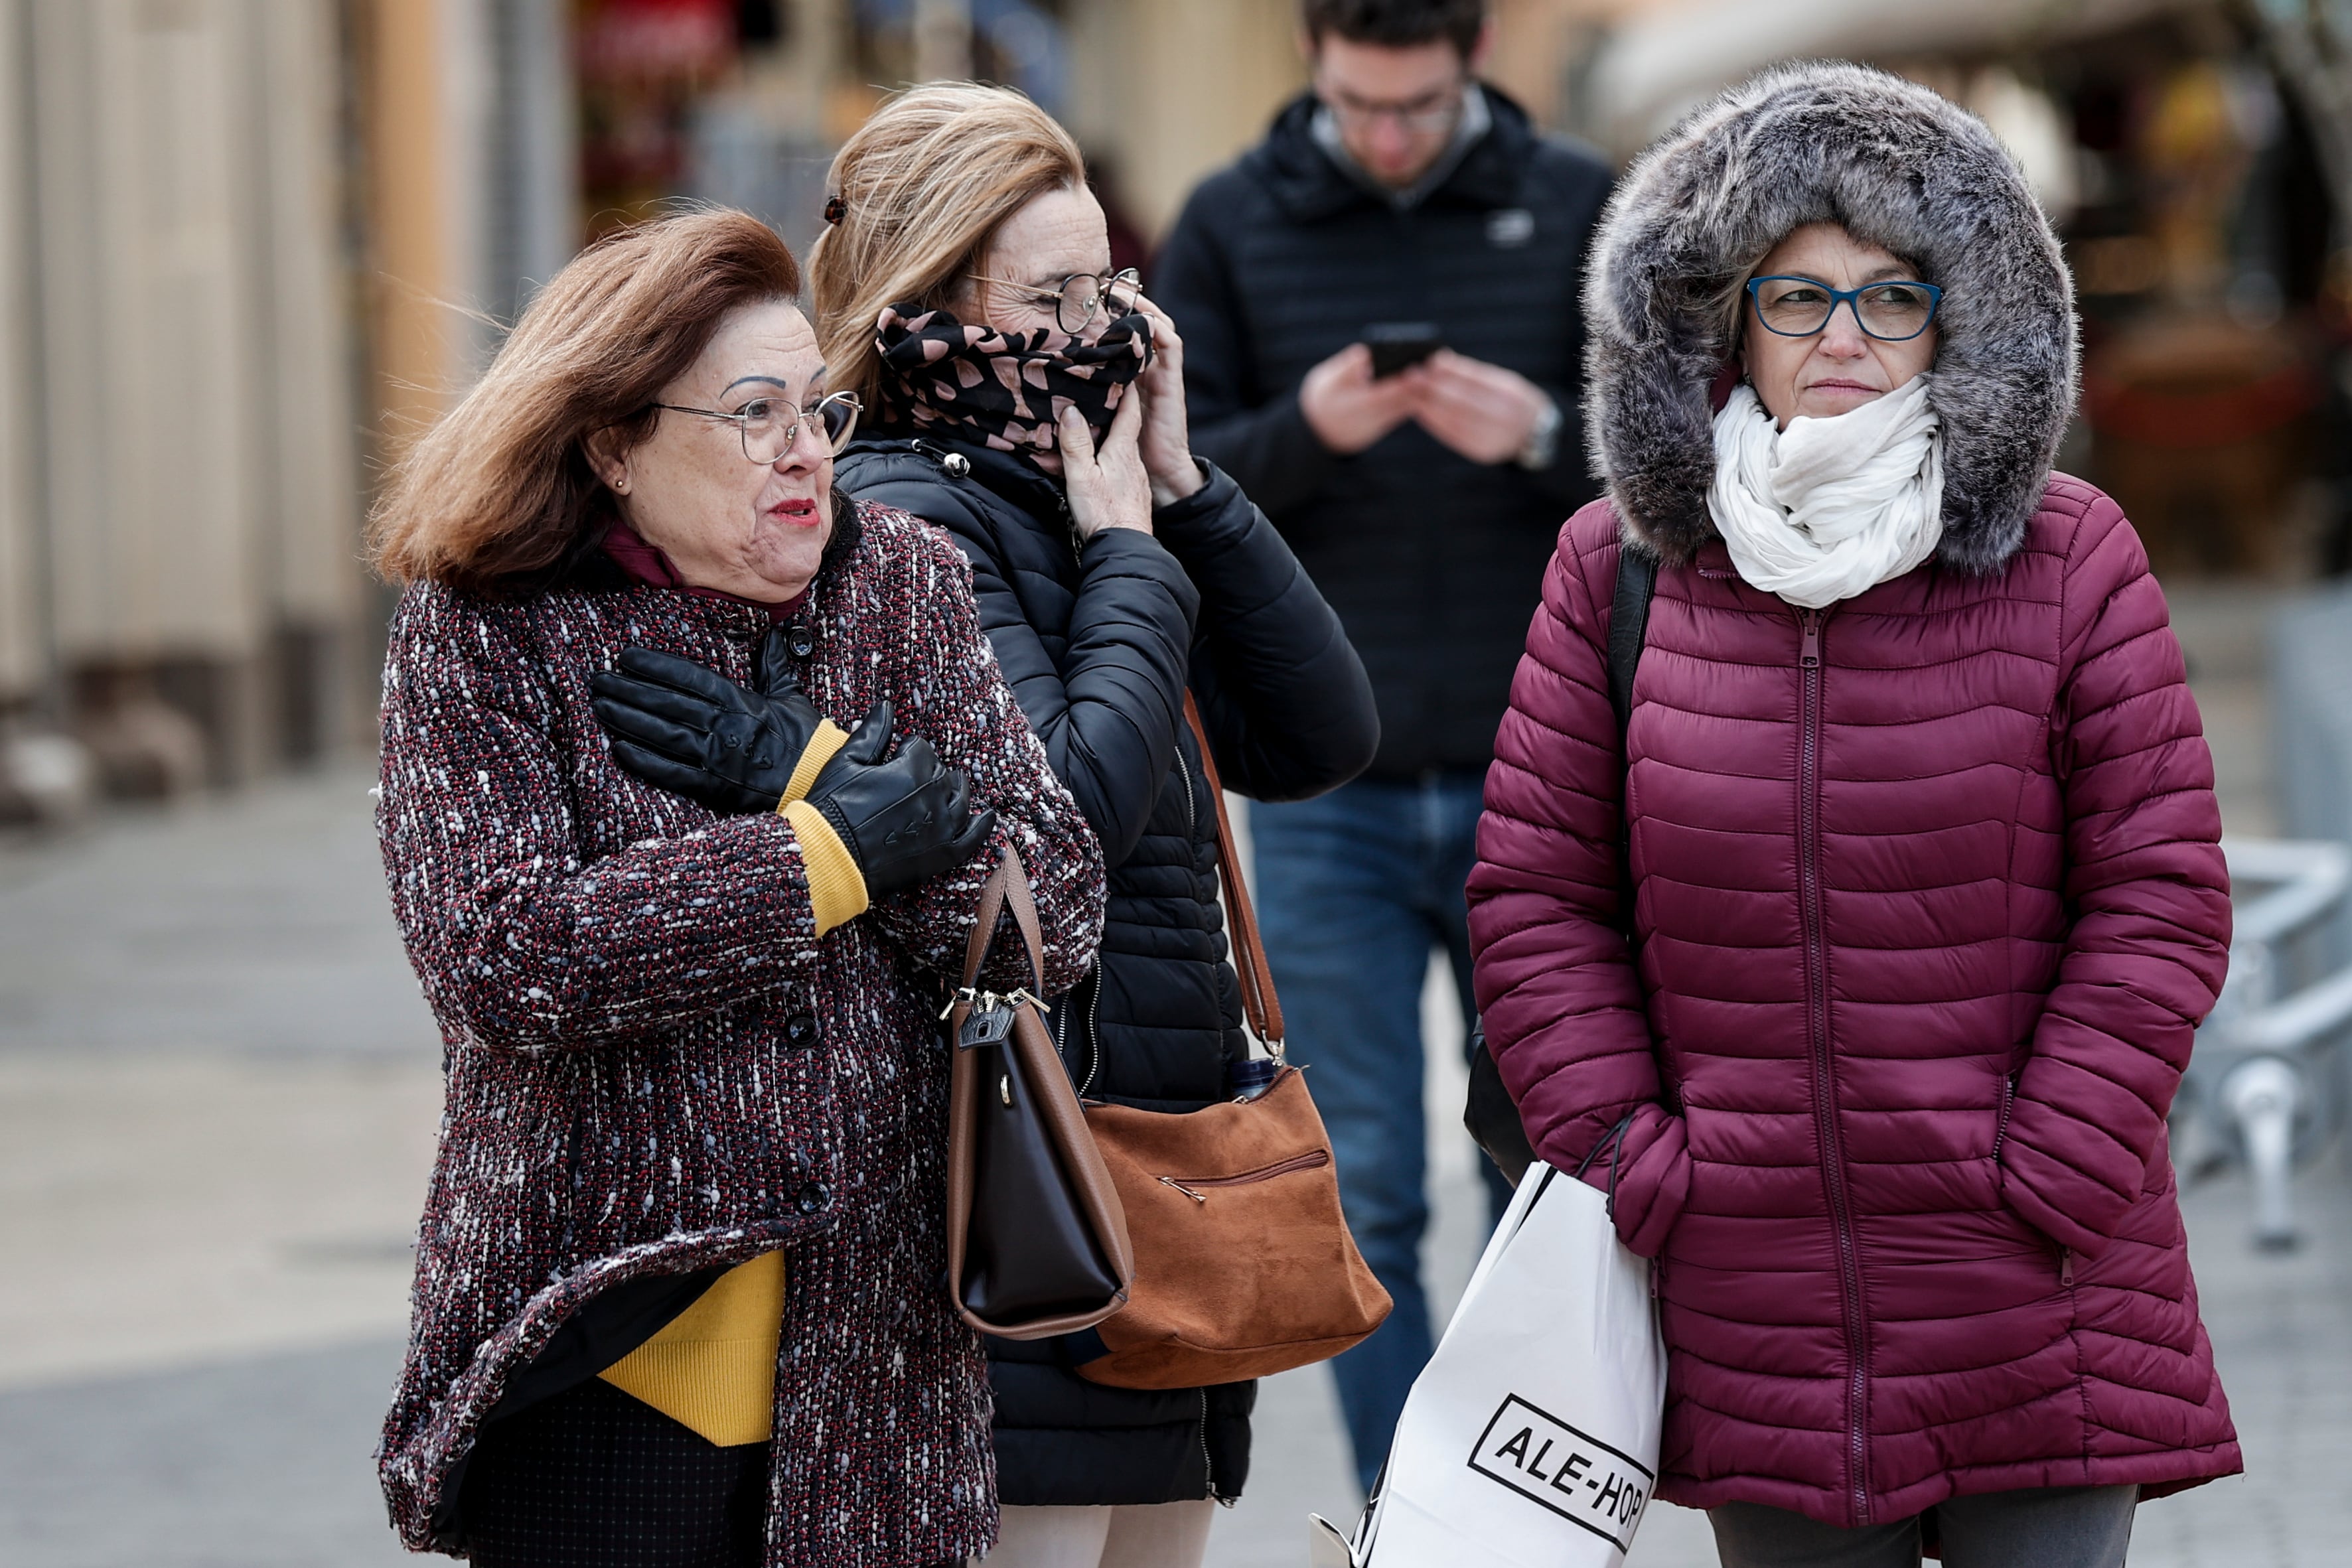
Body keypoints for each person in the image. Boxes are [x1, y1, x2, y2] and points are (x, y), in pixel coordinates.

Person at [1467, 63, 2239, 1568]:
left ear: (1957, 317)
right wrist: (1638, 1157)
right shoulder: (1615, 571)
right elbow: (1533, 895)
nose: (1842, 338)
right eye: (1795, 296)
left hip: (2037, 1285)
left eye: (1890, 296)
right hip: (1752, 1300)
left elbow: (2155, 890)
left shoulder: (2068, 555)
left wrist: (2053, 1163)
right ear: (1717, 316)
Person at [368, 209, 1106, 1568]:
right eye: (751, 413)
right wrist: (822, 856)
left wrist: (815, 765)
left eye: (815, 410)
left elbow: (1052, 905)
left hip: (877, 1355)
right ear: (613, 441)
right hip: (605, 1344)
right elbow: (501, 954)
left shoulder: (902, 586)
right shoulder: (490, 624)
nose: (804, 452)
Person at [810, 84, 1380, 1568]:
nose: (1102, 331)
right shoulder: (912, 529)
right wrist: (1127, 555)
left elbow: (1319, 735)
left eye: (1110, 285)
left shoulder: (1071, 491)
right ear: (926, 304)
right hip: (1030, 1204)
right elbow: (1064, 816)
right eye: (1052, 297)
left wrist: (1186, 495)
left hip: (1156, 1188)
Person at [1149, 0, 1615, 1488]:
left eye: (1416, 104)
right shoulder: (1227, 220)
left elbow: (1676, 457)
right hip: (1319, 783)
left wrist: (1544, 435)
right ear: (1312, 65)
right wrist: (1308, 429)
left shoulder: (1579, 204)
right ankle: (1407, 1515)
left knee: (1544, 1178)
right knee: (1356, 1188)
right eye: (1361, 105)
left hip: (1539, 775)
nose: (1390, 133)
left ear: (1470, 63)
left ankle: (1521, 1506)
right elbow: (1172, 476)